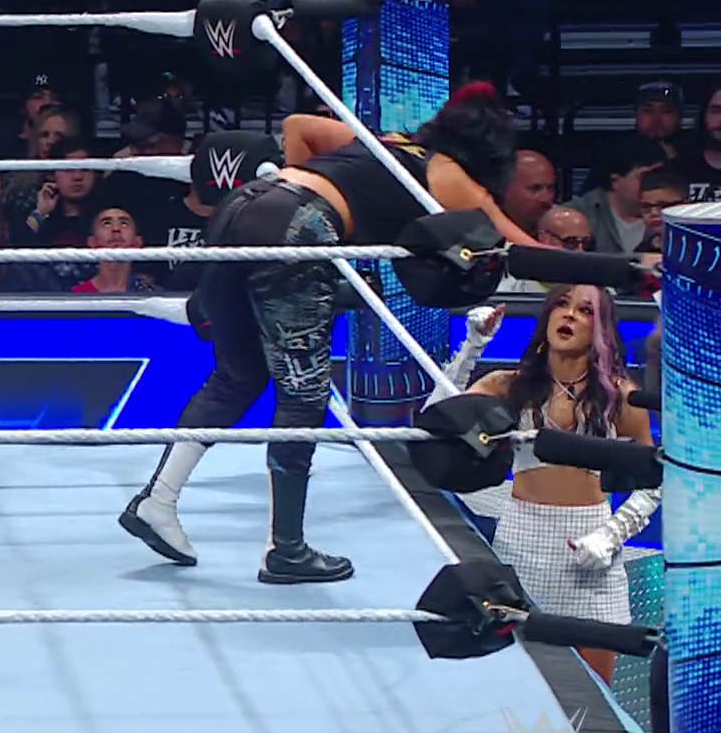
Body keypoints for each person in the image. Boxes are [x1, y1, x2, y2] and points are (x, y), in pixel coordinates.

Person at [119, 85, 540, 583]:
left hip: (244, 204)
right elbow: (518, 247)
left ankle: (157, 500)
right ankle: (286, 549)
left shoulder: (387, 141)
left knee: (238, 375)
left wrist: (302, 198)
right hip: (296, 227)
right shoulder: (451, 177)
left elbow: (298, 126)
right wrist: (602, 271)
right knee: (304, 396)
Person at [436, 288, 656, 681]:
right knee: (520, 682)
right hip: (522, 543)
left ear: (602, 329)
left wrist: (610, 536)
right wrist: (472, 347)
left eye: (585, 310)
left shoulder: (620, 397)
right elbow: (433, 425)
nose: (569, 315)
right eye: (562, 304)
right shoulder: (509, 386)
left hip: (590, 553)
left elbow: (654, 480)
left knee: (595, 696)